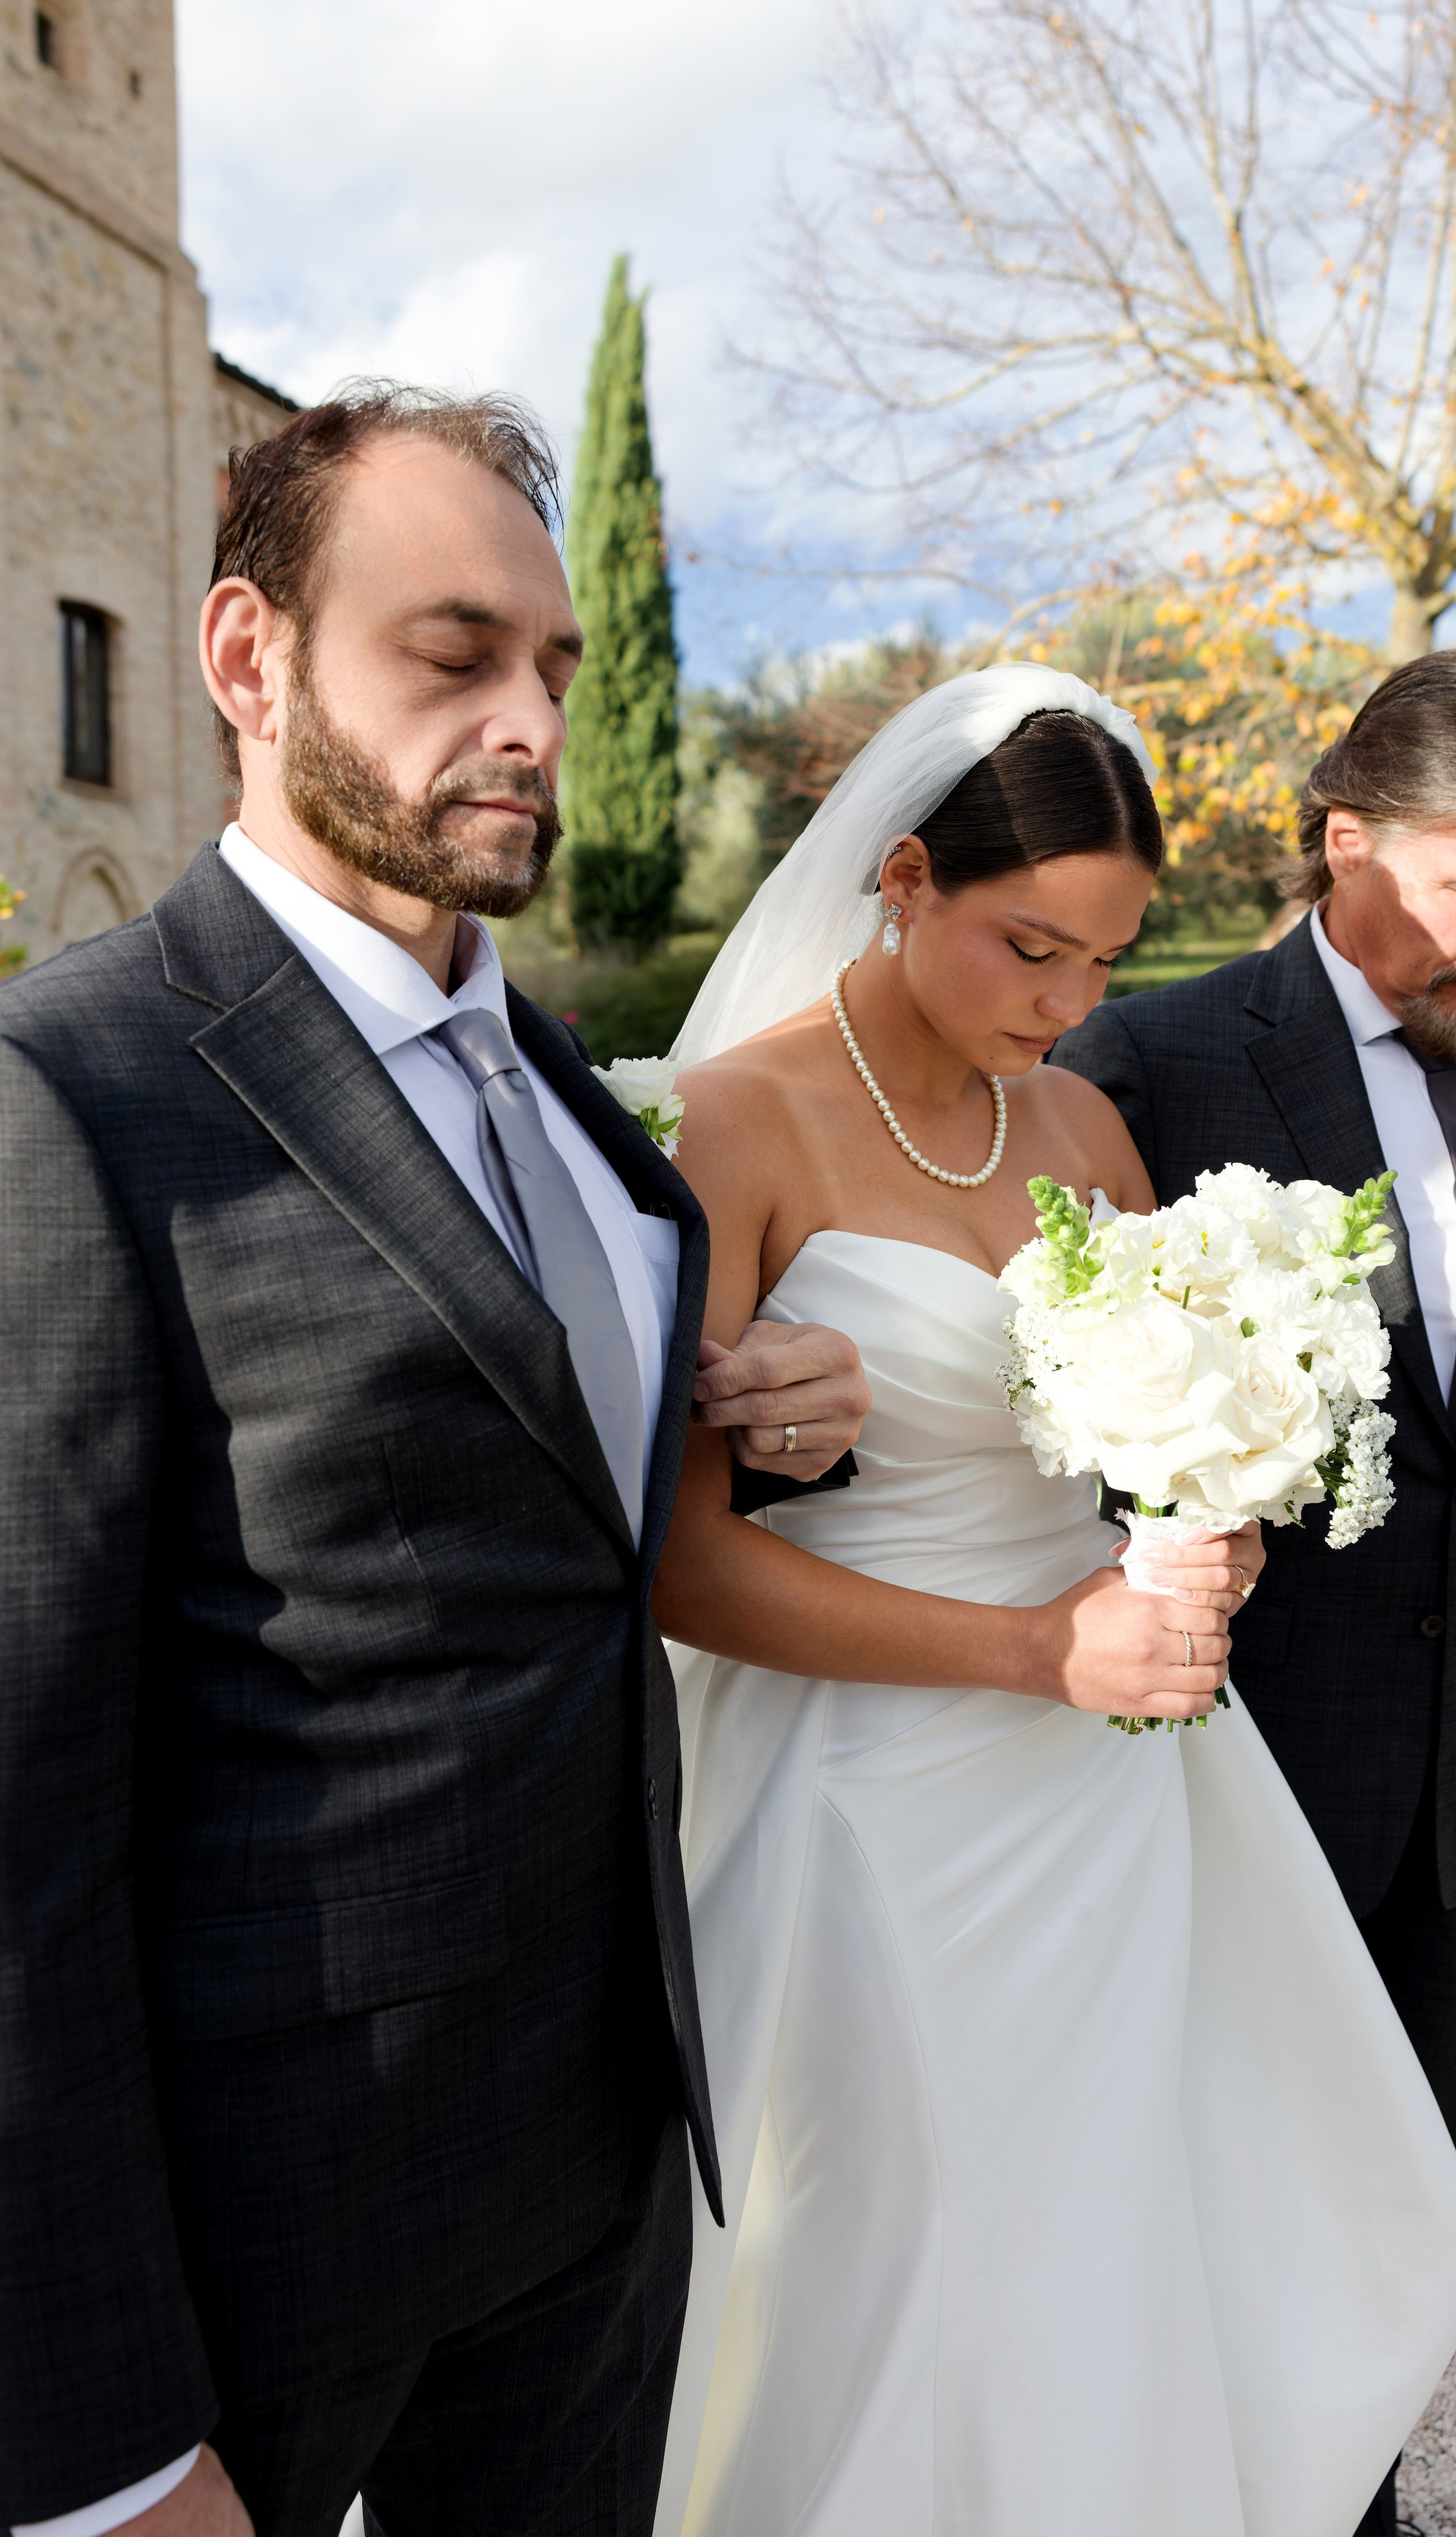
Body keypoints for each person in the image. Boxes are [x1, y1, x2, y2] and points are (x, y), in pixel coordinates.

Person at [0, 387, 872, 2537]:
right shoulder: (69, 1099)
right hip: (268, 2257)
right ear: (247, 660)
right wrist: (96, 2450)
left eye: (554, 669)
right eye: (449, 652)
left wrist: (773, 1428)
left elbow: (544, 1512)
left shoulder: (566, 1086)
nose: (530, 719)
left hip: (596, 2173)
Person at [649, 667, 1456, 2537]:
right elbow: (682, 1565)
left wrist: (1212, 1514)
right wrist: (1037, 1648)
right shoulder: (743, 1124)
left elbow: (1117, 1457)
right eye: (1030, 946)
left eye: (1103, 966)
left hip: (1110, 1781)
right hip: (872, 1798)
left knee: (1117, 2217)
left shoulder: (1086, 1141)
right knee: (893, 2241)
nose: (1064, 1007)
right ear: (904, 878)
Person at [1054, 643, 1456, 2537]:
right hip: (1227, 1759)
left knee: (1405, 2171)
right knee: (1208, 2173)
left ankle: (1355, 2495)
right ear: (1346, 841)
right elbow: (1061, 1412)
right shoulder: (1150, 1060)